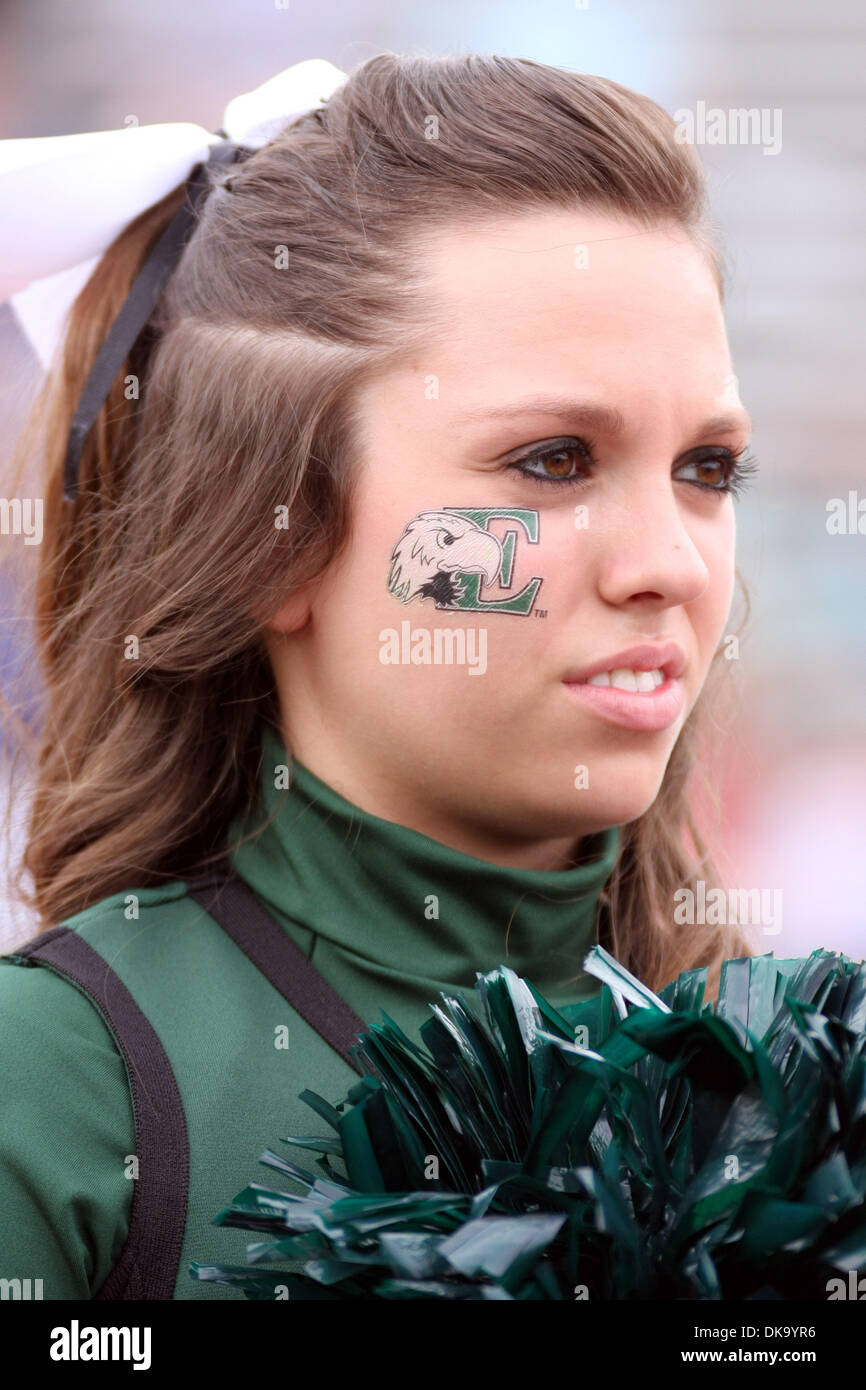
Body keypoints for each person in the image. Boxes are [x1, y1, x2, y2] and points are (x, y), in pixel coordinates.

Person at [0, 51, 757, 1300]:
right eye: (554, 459)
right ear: (270, 535)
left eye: (707, 468)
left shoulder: (786, 1084)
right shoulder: (57, 1095)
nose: (668, 564)